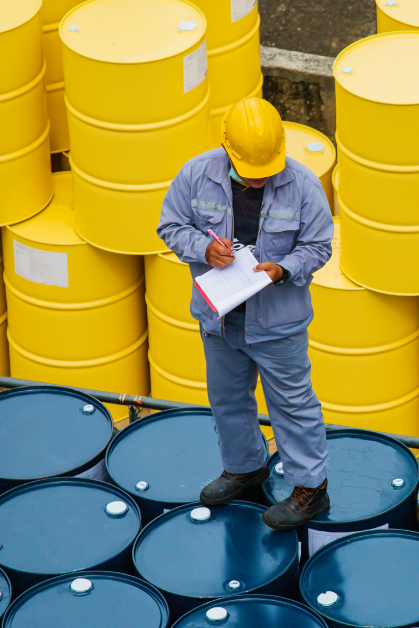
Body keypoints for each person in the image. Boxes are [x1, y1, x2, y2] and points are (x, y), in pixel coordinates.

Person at [156, 97, 334, 530]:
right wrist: (202, 248)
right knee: (227, 399)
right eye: (250, 173)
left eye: (266, 173)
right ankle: (245, 468)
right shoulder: (196, 175)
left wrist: (284, 269)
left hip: (277, 323)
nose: (257, 181)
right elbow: (170, 226)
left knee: (292, 405)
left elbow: (319, 247)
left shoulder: (305, 186)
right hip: (220, 317)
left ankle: (311, 489)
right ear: (227, 150)